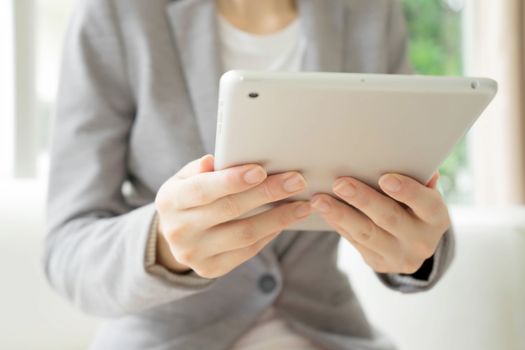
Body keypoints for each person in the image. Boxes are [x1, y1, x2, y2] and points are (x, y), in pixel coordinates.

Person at [44, 0, 455, 349]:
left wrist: (417, 249)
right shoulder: (118, 13)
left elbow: (407, 178)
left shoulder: (370, 11)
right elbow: (67, 250)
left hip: (327, 334)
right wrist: (162, 245)